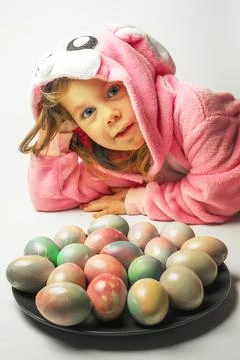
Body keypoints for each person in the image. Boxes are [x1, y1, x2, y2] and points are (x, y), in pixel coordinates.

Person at [19, 24, 240, 225]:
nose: (109, 116)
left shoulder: (195, 111)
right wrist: (57, 132)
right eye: (88, 112)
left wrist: (143, 200)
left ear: (138, 78)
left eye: (113, 90)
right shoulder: (114, 156)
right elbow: (50, 197)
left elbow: (218, 197)